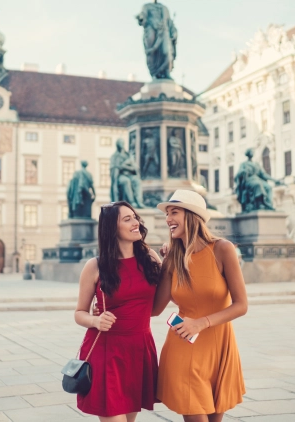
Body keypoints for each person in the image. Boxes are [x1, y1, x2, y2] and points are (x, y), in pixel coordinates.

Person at [153, 189, 247, 422]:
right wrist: (160, 262)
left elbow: (241, 305)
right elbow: (155, 308)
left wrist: (201, 323)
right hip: (184, 345)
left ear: (192, 215)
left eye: (174, 212)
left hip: (219, 344)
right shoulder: (172, 258)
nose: (168, 219)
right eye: (167, 213)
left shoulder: (223, 249)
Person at [75, 201, 161, 422]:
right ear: (112, 228)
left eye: (135, 217)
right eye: (127, 219)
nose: (136, 223)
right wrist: (95, 321)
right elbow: (79, 313)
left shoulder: (150, 258)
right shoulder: (95, 266)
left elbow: (158, 304)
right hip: (107, 353)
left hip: (140, 349)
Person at [110, 139, 144, 208]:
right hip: (120, 175)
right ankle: (132, 202)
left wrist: (125, 167)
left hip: (130, 174)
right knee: (126, 181)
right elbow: (114, 168)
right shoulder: (114, 156)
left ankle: (139, 201)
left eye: (122, 143)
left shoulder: (128, 155)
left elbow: (134, 167)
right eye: (120, 144)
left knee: (137, 181)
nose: (121, 145)